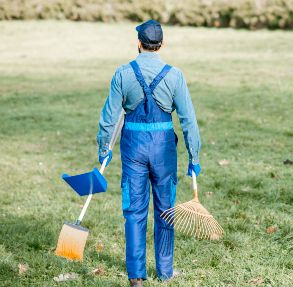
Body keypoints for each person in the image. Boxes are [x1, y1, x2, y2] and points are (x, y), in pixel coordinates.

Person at [96, 19, 201, 286]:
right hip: (164, 148)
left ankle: (136, 276)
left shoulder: (122, 73)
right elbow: (188, 120)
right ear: (161, 44)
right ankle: (165, 272)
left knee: (133, 209)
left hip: (133, 146)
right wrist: (194, 157)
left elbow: (109, 118)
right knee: (165, 208)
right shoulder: (175, 75)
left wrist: (103, 148)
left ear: (139, 43)